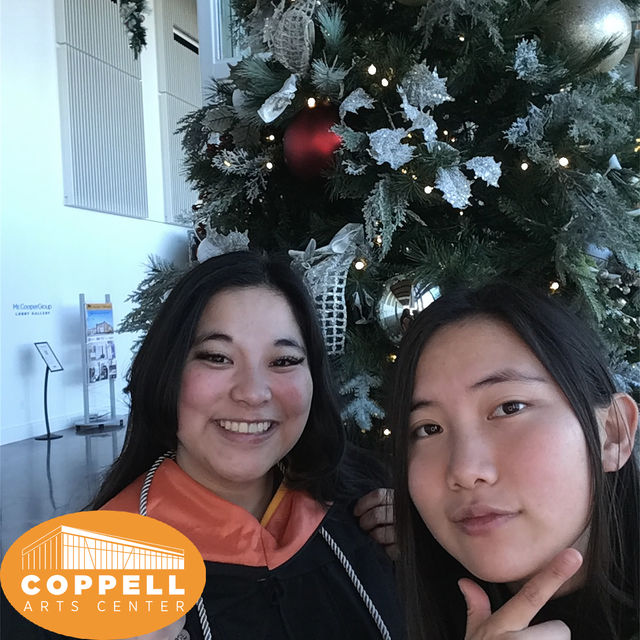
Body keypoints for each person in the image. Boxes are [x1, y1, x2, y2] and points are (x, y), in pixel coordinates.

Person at [90, 250, 402, 640]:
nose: (253, 393)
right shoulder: (98, 569)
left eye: (284, 360)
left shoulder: (368, 513)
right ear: (167, 369)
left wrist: (424, 570)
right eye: (217, 357)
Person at [389, 283, 639, 640]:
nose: (464, 471)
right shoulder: (385, 611)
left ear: (612, 434)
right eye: (429, 429)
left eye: (510, 407)